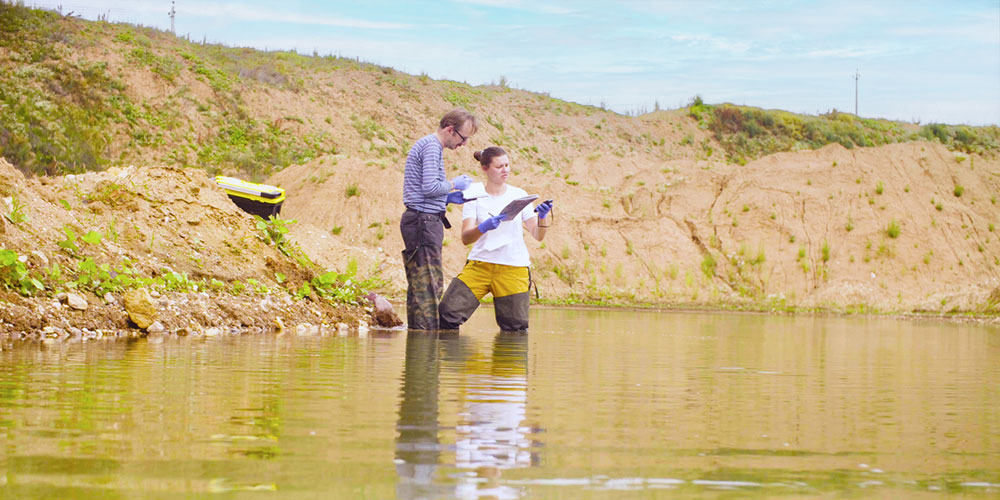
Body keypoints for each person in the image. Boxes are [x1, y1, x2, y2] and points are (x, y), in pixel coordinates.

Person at [438, 146, 554, 331]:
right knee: (446, 315)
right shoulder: (473, 194)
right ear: (485, 168)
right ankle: (458, 359)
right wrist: (483, 227)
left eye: (507, 165)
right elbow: (466, 238)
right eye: (499, 166)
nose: (505, 170)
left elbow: (538, 235)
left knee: (515, 328)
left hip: (513, 268)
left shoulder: (519, 195)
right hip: (480, 265)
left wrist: (542, 216)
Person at [400, 109, 478, 330]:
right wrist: (454, 184)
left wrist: (447, 198)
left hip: (421, 221)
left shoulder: (428, 145)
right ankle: (426, 349)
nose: (463, 145)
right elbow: (429, 187)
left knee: (420, 284)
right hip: (423, 223)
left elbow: (426, 190)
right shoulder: (432, 147)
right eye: (463, 138)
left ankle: (418, 346)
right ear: (450, 130)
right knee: (428, 285)